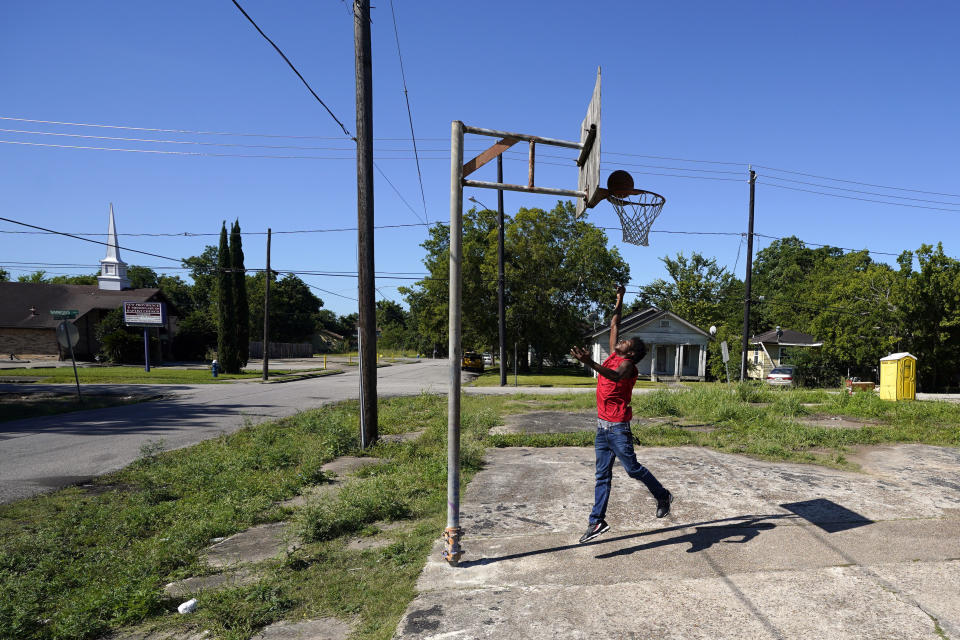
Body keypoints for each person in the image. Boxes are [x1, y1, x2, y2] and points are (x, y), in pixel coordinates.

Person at [570, 285, 673, 544]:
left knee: (633, 469)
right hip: (602, 428)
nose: (619, 342)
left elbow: (615, 376)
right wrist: (620, 298)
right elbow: (614, 321)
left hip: (617, 428)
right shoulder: (616, 354)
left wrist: (589, 363)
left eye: (625, 343)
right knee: (602, 475)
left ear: (631, 354)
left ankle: (662, 495)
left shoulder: (627, 367)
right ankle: (596, 522)